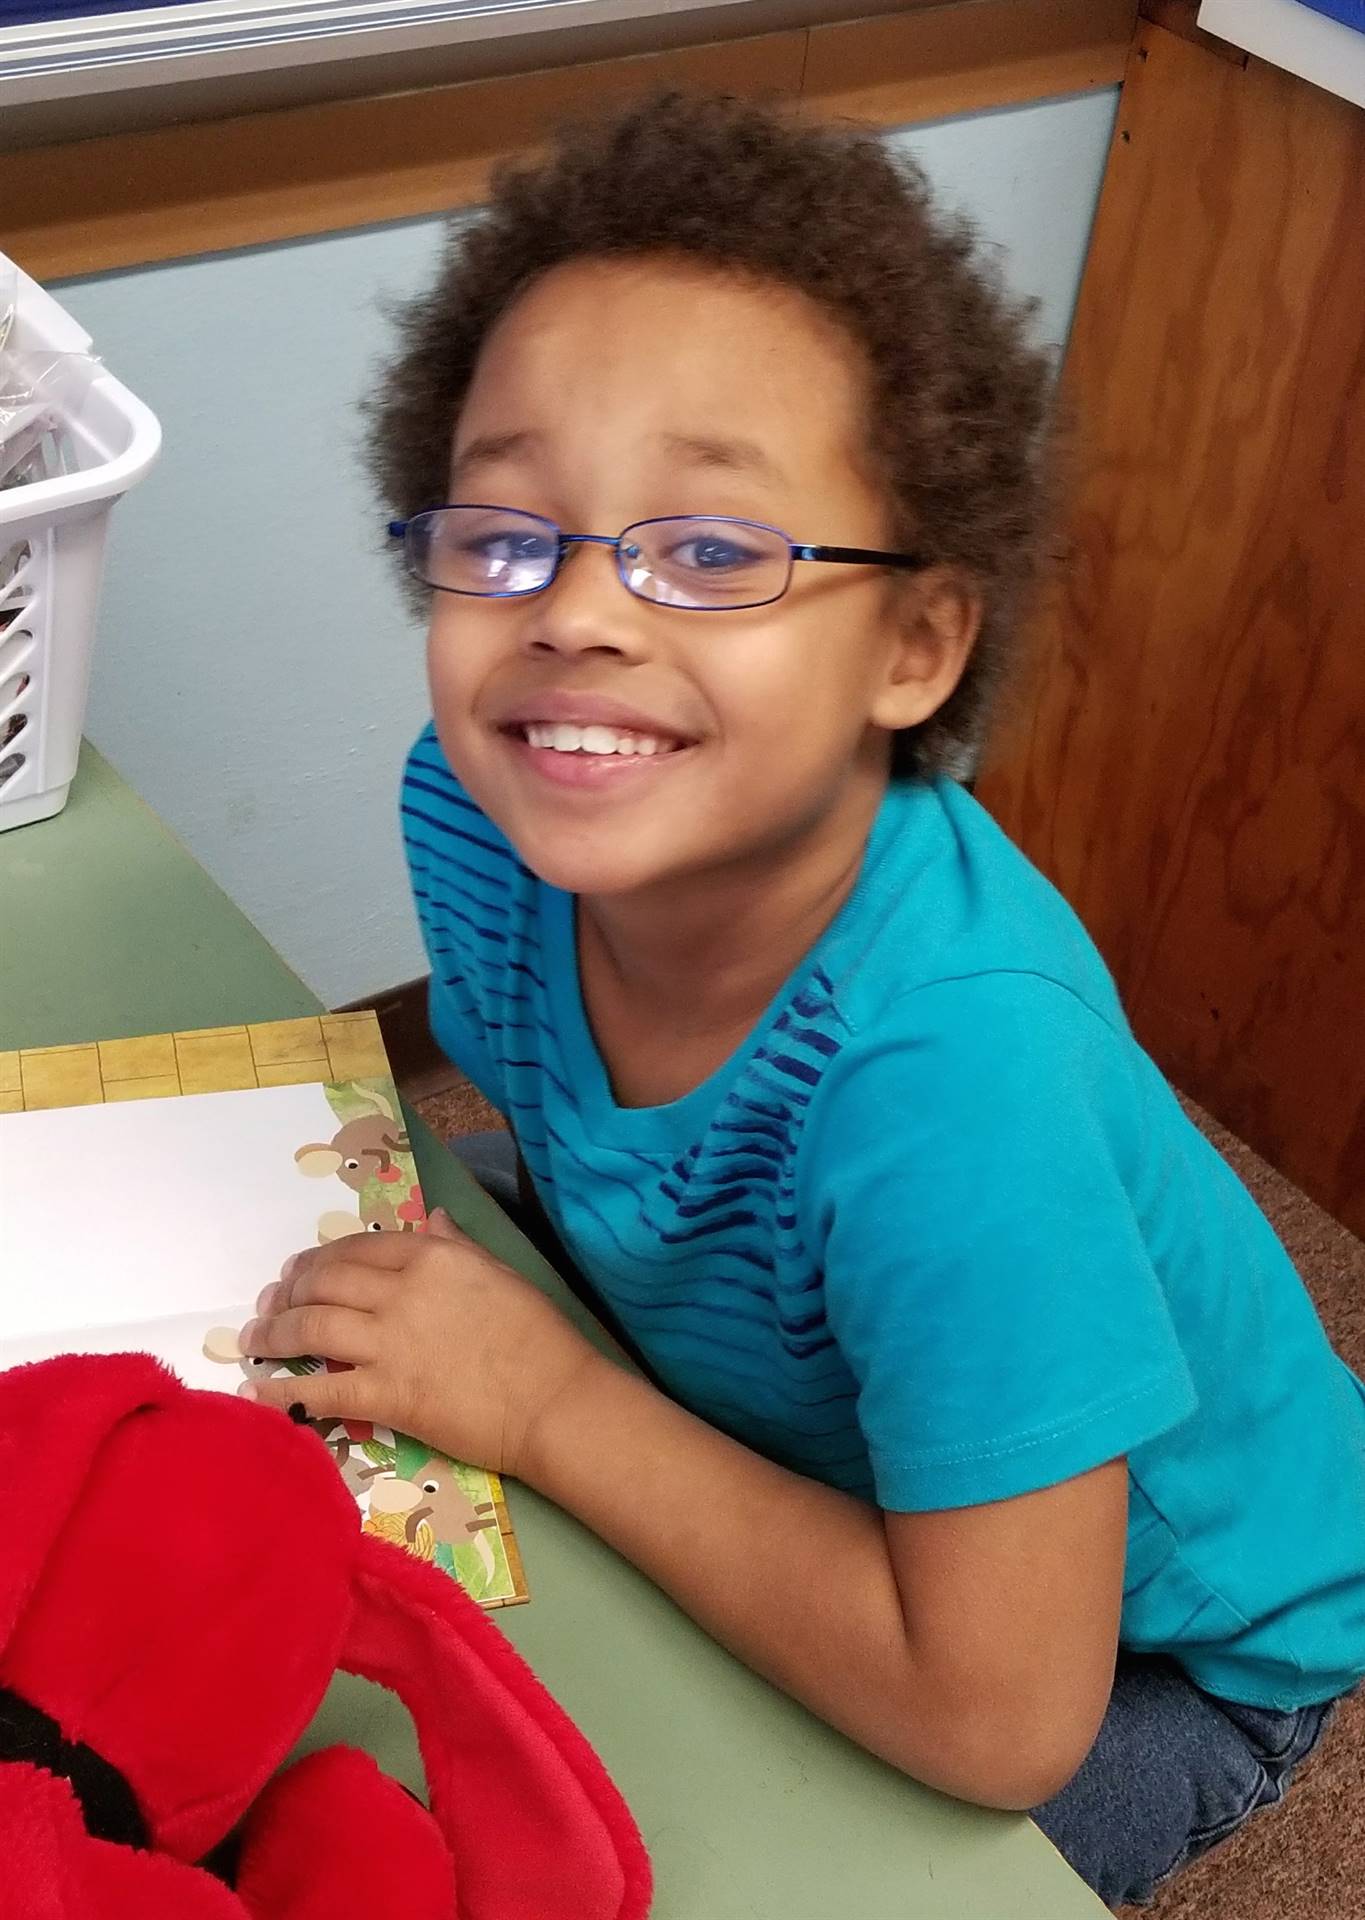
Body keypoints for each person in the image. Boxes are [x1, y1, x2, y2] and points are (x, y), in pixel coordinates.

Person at [238, 93, 1365, 1908]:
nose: (574, 615)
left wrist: (546, 1406)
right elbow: (615, 1182)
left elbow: (1004, 1719)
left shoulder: (954, 1080)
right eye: (508, 533)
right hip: (783, 1405)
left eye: (711, 551)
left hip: (1155, 1652)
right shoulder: (471, 805)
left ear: (914, 646)